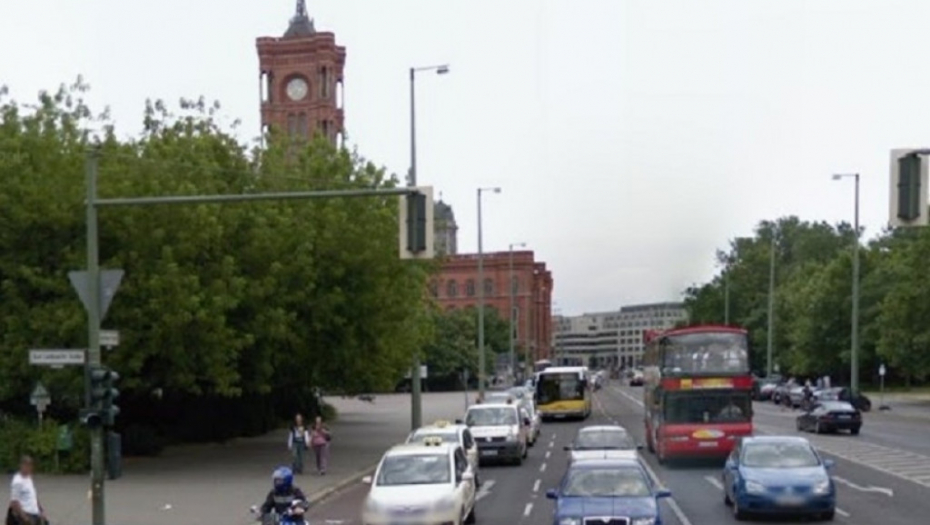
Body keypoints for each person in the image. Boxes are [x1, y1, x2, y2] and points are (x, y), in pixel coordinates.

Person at [7, 456, 47, 525]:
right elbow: (14, 502)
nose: (28, 468)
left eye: (30, 466)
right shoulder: (17, 481)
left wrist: (41, 510)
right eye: (26, 465)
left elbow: (33, 496)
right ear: (21, 466)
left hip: (35, 513)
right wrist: (24, 518)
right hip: (26, 513)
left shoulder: (28, 478)